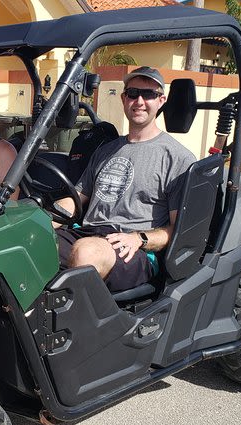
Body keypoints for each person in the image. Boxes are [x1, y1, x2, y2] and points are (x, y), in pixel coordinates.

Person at [55, 66, 196, 292]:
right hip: (88, 233)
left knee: (86, 252)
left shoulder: (177, 159)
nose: (139, 101)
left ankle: (76, 326)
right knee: (25, 243)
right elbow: (77, 198)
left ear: (161, 100)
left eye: (148, 94)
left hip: (134, 248)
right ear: (124, 98)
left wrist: (139, 238)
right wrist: (40, 220)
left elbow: (178, 229)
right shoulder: (105, 151)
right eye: (133, 93)